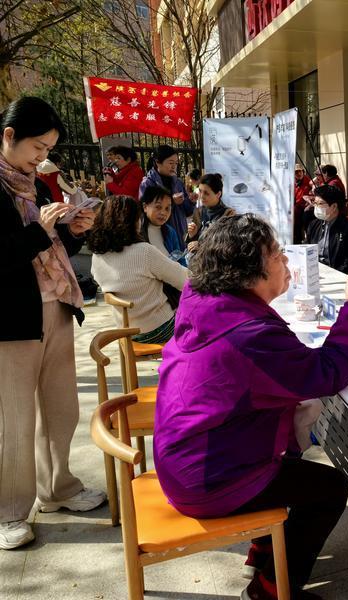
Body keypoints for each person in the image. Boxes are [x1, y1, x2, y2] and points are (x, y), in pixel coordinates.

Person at [152, 214, 348, 600]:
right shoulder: (249, 335)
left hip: (188, 459)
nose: (286, 260)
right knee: (329, 489)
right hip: (209, 477)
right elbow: (328, 373)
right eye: (276, 254)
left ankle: (263, 551)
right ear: (247, 272)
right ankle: (269, 591)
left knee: (293, 456)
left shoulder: (204, 302)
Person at [0, 96, 106, 550]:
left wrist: (72, 229)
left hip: (55, 306)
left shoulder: (35, 186)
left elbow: (50, 245)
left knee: (61, 408)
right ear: (9, 136)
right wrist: (40, 231)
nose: (42, 157)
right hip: (11, 319)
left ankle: (57, 487)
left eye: (47, 149)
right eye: (37, 147)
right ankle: (8, 510)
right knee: (14, 419)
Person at [89, 195, 188, 345]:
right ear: (133, 222)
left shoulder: (97, 255)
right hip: (159, 329)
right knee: (202, 320)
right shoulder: (144, 252)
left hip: (125, 330)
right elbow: (184, 280)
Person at [139, 144, 195, 248]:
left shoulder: (178, 183)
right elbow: (144, 211)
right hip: (159, 234)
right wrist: (172, 201)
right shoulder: (148, 184)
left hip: (180, 233)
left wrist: (191, 200)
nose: (174, 166)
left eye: (176, 163)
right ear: (158, 162)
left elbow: (187, 211)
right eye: (170, 163)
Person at [305, 184, 348, 274]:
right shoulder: (314, 224)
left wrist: (335, 274)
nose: (316, 206)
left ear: (334, 206)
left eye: (320, 203)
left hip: (336, 273)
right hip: (314, 271)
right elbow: (306, 248)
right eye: (315, 203)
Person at [186, 172, 235, 253]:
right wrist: (192, 235)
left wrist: (202, 246)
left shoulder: (229, 214)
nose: (201, 196)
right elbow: (191, 244)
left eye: (206, 193)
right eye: (200, 191)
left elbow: (228, 244)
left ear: (218, 194)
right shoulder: (199, 211)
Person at [140, 185, 185, 263]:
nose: (163, 213)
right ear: (145, 207)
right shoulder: (137, 231)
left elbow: (180, 260)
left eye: (167, 208)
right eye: (158, 207)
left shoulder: (170, 232)